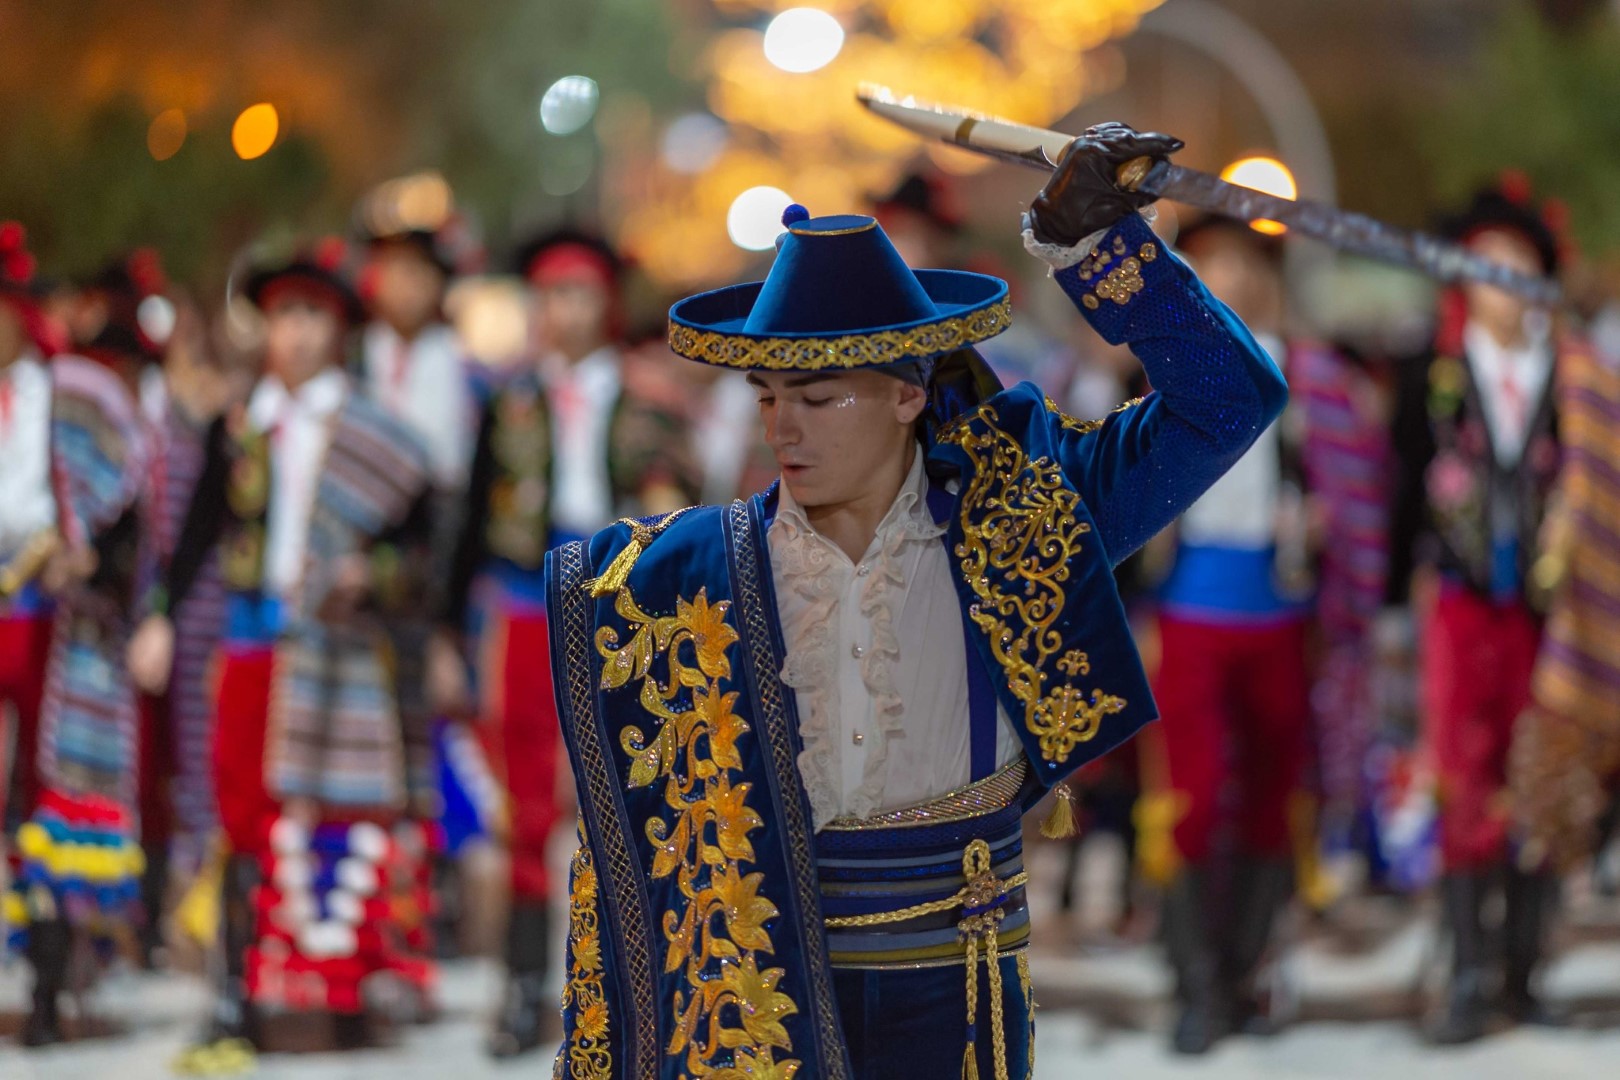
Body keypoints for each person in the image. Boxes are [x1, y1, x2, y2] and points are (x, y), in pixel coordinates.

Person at [544, 123, 1287, 1080]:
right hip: (757, 1009)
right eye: (768, 396)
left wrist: (1103, 248)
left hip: (958, 992)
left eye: (819, 397)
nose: (783, 428)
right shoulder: (688, 574)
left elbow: (1228, 402)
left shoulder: (1023, 519)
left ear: (907, 393)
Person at [129, 241, 436, 1062]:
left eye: (311, 315)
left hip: (337, 650)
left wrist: (369, 575)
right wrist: (161, 617)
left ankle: (343, 991)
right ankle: (237, 991)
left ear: (338, 329)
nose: (295, 333)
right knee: (239, 815)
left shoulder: (376, 437)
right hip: (251, 639)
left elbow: (419, 555)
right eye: (282, 315)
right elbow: (196, 530)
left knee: (336, 817)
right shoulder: (241, 425)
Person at [437, 228, 697, 1058]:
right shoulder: (506, 400)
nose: (564, 310)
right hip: (524, 601)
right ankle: (523, 987)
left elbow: (689, 513)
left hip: (621, 602)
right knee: (523, 799)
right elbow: (470, 519)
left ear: (606, 302)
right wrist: (449, 628)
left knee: (629, 787)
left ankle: (632, 985)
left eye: (579, 293)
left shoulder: (651, 397)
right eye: (551, 294)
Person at [1385, 181, 1570, 1044]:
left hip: (1548, 615)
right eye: (1485, 263)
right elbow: (1401, 490)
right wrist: (1394, 600)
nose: (1502, 279)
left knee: (1542, 777)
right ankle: (1466, 971)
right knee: (1461, 775)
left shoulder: (1577, 379)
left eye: (1517, 263)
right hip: (1458, 607)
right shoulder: (1431, 373)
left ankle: (1524, 972)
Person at [1133, 215, 1316, 1053]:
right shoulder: (1155, 373)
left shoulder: (1309, 378)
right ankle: (1195, 981)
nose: (1231, 278)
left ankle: (1247, 968)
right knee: (1192, 796)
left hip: (1280, 609)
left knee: (1276, 796)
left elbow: (1352, 485)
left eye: (1244, 263)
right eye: (1212, 263)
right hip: (1190, 608)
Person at [0, 222, 151, 1046]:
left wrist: (86, 558)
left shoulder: (77, 396)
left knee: (51, 793)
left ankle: (50, 984)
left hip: (55, 621)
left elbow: (130, 503)